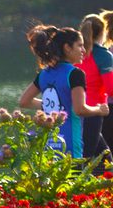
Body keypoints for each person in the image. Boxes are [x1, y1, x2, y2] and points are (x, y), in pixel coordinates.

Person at [17, 25, 106, 157]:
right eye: (80, 45)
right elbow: (79, 109)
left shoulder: (44, 73)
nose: (84, 50)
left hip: (49, 145)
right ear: (67, 48)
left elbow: (24, 102)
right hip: (70, 147)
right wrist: (99, 110)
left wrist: (52, 104)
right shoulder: (75, 73)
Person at [76, 14, 112, 166]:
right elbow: (111, 89)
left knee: (102, 160)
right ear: (102, 32)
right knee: (89, 161)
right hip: (95, 113)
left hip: (75, 111)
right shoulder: (103, 55)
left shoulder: (75, 52)